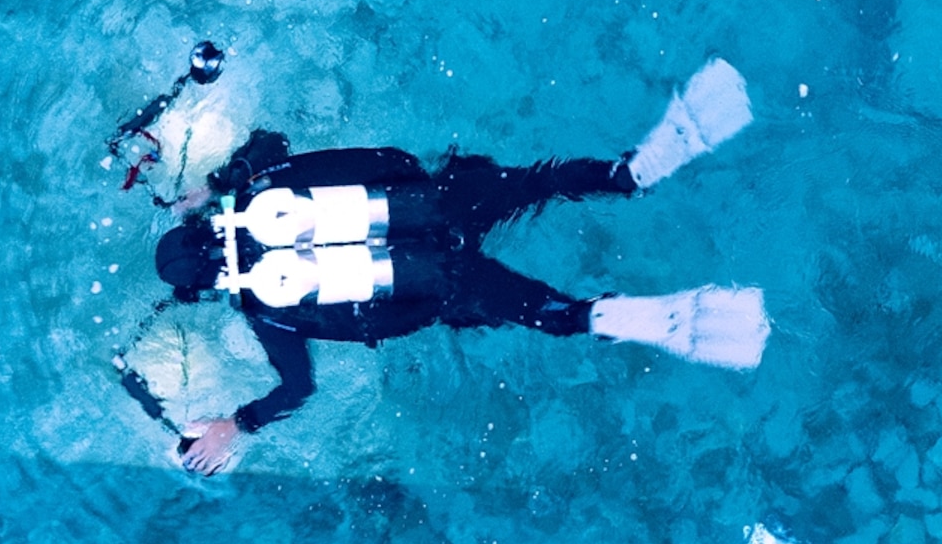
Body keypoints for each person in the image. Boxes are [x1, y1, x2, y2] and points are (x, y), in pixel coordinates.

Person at [146, 60, 766, 474]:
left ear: (208, 290)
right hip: (441, 202)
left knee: (550, 316)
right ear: (207, 225)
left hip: (441, 284)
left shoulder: (266, 311)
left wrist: (237, 424)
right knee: (542, 182)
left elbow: (298, 390)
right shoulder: (261, 194)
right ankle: (631, 175)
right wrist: (218, 182)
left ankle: (613, 315)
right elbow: (271, 138)